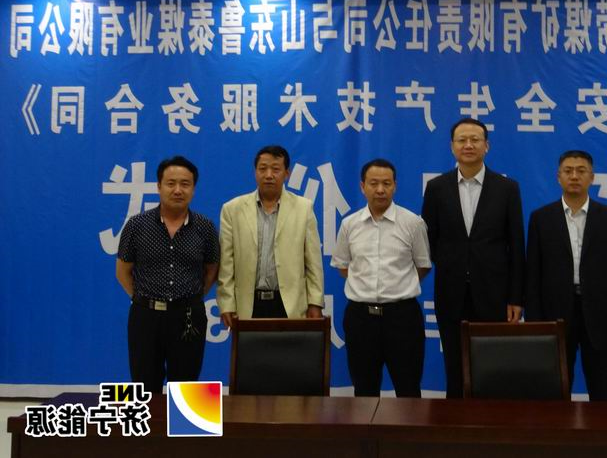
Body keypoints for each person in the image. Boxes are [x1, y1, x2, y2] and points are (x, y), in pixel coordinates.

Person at [421, 118, 525, 398]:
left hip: (495, 294)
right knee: (454, 366)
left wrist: (516, 298)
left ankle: (491, 421)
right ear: (452, 146)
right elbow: (428, 239)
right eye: (462, 140)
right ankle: (455, 420)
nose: (468, 145)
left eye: (475, 140)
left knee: (493, 367)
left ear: (486, 146)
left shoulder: (507, 188)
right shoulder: (437, 188)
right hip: (450, 292)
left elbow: (516, 245)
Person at [525, 150, 607, 401]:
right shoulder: (541, 218)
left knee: (602, 387)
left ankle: (602, 428)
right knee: (554, 388)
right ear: (558, 177)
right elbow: (533, 274)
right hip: (555, 313)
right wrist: (535, 322)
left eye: (581, 171)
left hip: (601, 314)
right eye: (568, 171)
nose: (574, 176)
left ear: (592, 177)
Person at [116, 156, 220, 393]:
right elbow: (122, 271)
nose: (178, 190)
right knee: (142, 387)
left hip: (188, 317)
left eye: (185, 184)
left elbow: (211, 270)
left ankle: (185, 421)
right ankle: (147, 421)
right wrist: (142, 299)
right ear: (158, 186)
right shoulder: (137, 225)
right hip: (145, 316)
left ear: (193, 189)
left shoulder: (205, 227)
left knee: (187, 390)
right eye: (171, 183)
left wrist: (190, 298)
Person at [331, 159, 431, 397]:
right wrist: (366, 286)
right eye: (373, 183)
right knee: (364, 390)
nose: (380, 190)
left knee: (408, 389)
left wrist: (397, 286)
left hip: (402, 317)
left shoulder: (413, 223)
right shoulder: (349, 224)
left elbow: (423, 265)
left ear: (395, 186)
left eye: (386, 183)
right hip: (361, 318)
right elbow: (343, 266)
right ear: (362, 186)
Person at [216, 145, 324, 324]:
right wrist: (226, 303)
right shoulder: (232, 209)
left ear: (286, 173)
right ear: (255, 172)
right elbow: (226, 263)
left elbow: (313, 262)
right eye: (263, 169)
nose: (268, 175)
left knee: (290, 345)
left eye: (275, 169)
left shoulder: (304, 208)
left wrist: (315, 302)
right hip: (247, 304)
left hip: (290, 304)